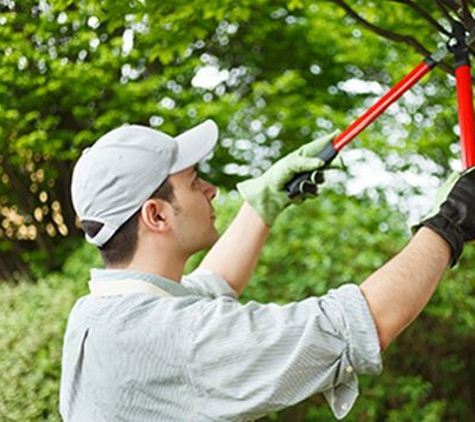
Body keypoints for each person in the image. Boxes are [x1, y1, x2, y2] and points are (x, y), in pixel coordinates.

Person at [60, 119, 475, 421]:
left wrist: (264, 201)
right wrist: (449, 223)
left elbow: (211, 287)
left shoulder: (98, 314)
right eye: (194, 182)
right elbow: (358, 325)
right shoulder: (176, 335)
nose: (211, 190)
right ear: (156, 215)